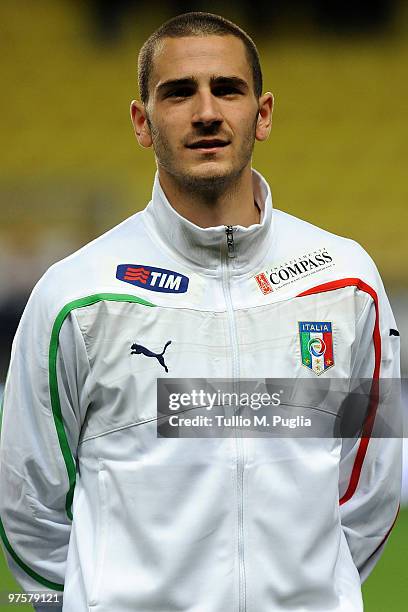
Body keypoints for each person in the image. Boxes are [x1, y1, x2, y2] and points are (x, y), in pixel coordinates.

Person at [0, 11, 402, 612]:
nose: (207, 111)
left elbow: (372, 486)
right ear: (142, 122)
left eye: (228, 89)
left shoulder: (347, 283)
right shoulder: (74, 296)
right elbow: (28, 507)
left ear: (262, 114)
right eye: (179, 92)